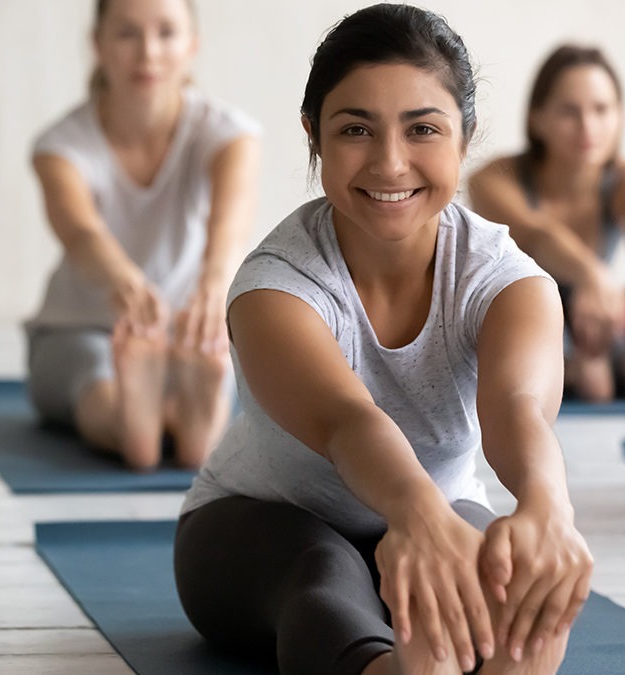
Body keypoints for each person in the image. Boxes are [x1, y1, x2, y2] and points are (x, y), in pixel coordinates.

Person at [173, 5, 592, 674]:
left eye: (423, 128)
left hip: (444, 511)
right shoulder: (273, 287)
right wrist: (417, 515)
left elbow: (516, 405)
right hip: (259, 526)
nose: (390, 163)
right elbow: (348, 422)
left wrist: (548, 509)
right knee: (323, 572)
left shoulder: (508, 279)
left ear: (466, 136)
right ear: (313, 135)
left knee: (522, 603)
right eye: (355, 129)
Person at [25, 0, 260, 469]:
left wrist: (215, 287)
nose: (148, 53)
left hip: (187, 334)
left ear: (192, 44)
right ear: (98, 45)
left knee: (207, 352)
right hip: (80, 329)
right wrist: (124, 283)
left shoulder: (229, 134)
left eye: (166, 33)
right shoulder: (61, 145)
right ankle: (139, 422)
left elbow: (230, 223)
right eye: (128, 34)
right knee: (94, 377)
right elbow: (81, 232)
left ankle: (175, 419)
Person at [469, 45, 625, 403]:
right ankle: (582, 367)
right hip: (520, 308)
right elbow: (535, 233)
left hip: (595, 312)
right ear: (537, 118)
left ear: (620, 116)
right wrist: (592, 275)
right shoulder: (493, 179)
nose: (588, 127)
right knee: (591, 382)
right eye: (569, 111)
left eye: (601, 110)